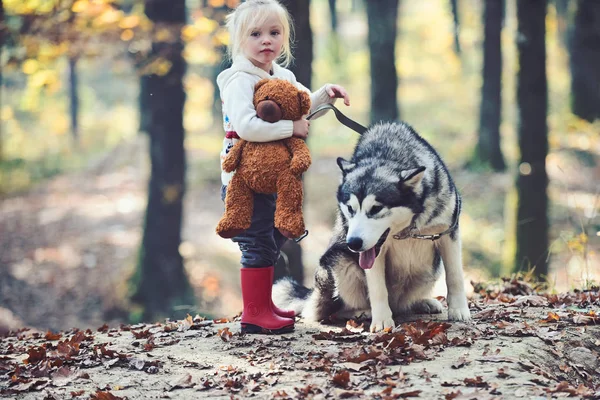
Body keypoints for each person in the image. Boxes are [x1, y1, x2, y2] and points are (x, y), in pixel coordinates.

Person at [217, 0, 350, 334]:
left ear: (284, 38)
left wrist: (325, 94)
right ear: (240, 40)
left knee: (274, 238)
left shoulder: (283, 75)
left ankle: (265, 303)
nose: (266, 40)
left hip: (273, 180)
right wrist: (291, 130)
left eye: (274, 33)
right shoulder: (239, 81)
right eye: (256, 34)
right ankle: (254, 313)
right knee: (257, 242)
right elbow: (247, 126)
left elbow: (302, 102)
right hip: (243, 181)